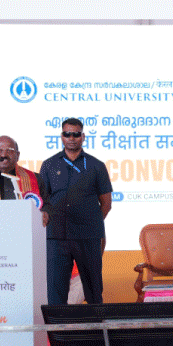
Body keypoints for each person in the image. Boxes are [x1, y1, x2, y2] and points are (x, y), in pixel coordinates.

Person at [39, 118, 112, 305]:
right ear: (61, 136)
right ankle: (58, 326)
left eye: (76, 134)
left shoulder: (96, 165)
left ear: (83, 136)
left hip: (88, 237)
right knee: (56, 292)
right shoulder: (49, 165)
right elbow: (43, 201)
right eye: (67, 134)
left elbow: (106, 203)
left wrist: (90, 221)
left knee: (93, 291)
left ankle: (96, 324)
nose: (71, 138)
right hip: (57, 237)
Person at [0, 135, 47, 208]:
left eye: (9, 150)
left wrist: (44, 213)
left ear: (18, 155)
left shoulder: (36, 178)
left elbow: (47, 206)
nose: (4, 155)